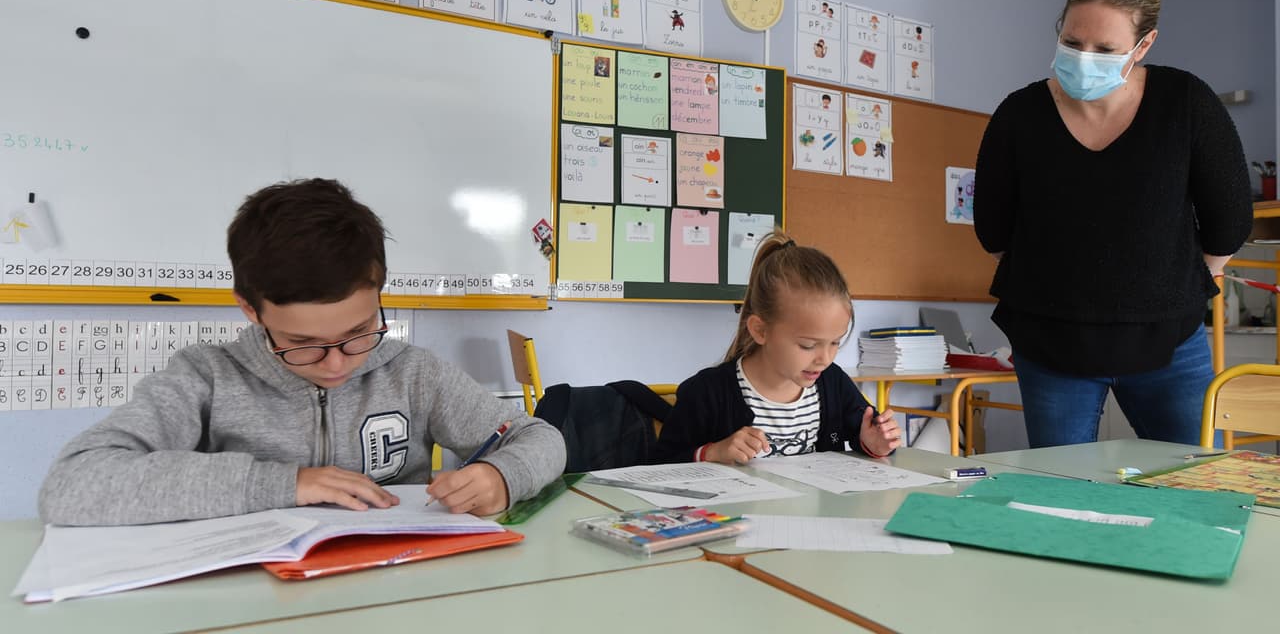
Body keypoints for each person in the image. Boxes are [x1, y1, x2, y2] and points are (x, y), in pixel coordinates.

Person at [38, 179, 566, 526]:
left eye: (359, 331)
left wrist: (503, 476)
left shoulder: (413, 373)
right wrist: (281, 484)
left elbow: (539, 437)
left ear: (379, 291)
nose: (336, 363)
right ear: (250, 309)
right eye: (302, 344)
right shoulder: (206, 378)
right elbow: (71, 486)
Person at [974, 0, 1252, 448]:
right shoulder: (1019, 115)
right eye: (1073, 42)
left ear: (1142, 47)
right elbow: (994, 230)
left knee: (1194, 485)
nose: (1084, 58)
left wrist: (1177, 282)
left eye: (1105, 50)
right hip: (1049, 345)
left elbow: (1228, 219)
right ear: (1060, 27)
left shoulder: (1186, 103)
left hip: (1169, 342)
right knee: (1062, 493)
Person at [654, 231, 901, 464]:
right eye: (808, 345)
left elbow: (866, 435)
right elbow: (660, 463)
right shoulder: (708, 391)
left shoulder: (833, 383)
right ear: (760, 330)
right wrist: (712, 452)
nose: (824, 359)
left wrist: (875, 443)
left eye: (835, 342)